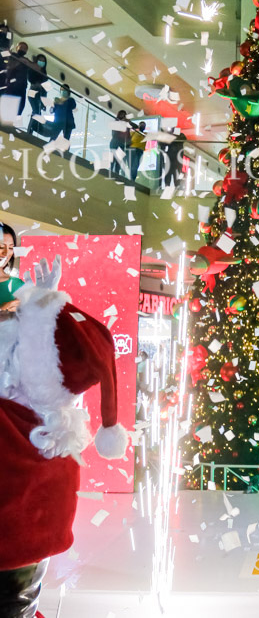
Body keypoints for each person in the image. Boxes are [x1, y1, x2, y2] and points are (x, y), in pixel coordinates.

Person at [0, 255, 128, 616]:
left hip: (13, 549)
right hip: (24, 549)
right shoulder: (49, 428)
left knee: (13, 603)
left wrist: (40, 309)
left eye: (13, 317)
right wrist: (41, 307)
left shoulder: (17, 425)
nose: (8, 318)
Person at [4, 42, 33, 119]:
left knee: (20, 106)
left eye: (25, 48)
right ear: (17, 48)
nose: (23, 49)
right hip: (12, 85)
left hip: (22, 86)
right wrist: (19, 62)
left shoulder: (26, 60)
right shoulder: (13, 55)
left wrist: (27, 63)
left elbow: (34, 67)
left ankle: (13, 122)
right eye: (21, 47)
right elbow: (8, 67)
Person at [0, 223, 22, 313]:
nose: (6, 253)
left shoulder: (17, 285)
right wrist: (2, 310)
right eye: (1, 246)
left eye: (10, 248)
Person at [26, 54, 48, 136]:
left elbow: (45, 88)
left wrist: (44, 102)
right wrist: (37, 84)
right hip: (33, 91)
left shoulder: (44, 72)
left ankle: (31, 129)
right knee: (36, 111)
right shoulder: (32, 69)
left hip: (40, 94)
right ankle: (30, 130)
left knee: (37, 111)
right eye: (40, 60)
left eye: (43, 61)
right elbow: (30, 79)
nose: (41, 62)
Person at [110, 109, 130, 178]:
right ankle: (112, 175)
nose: (123, 116)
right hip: (116, 144)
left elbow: (127, 135)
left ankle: (115, 176)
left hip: (119, 144)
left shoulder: (124, 124)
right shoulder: (117, 123)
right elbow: (115, 134)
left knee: (117, 162)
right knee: (114, 161)